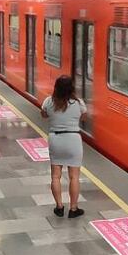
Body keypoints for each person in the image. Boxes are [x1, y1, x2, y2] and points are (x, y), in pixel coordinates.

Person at [41, 75, 88, 218]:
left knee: (55, 176)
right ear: (71, 88)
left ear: (56, 87)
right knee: (74, 177)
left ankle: (59, 207)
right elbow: (84, 117)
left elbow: (44, 115)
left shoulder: (49, 101)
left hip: (55, 139)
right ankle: (73, 209)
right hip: (73, 139)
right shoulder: (78, 103)